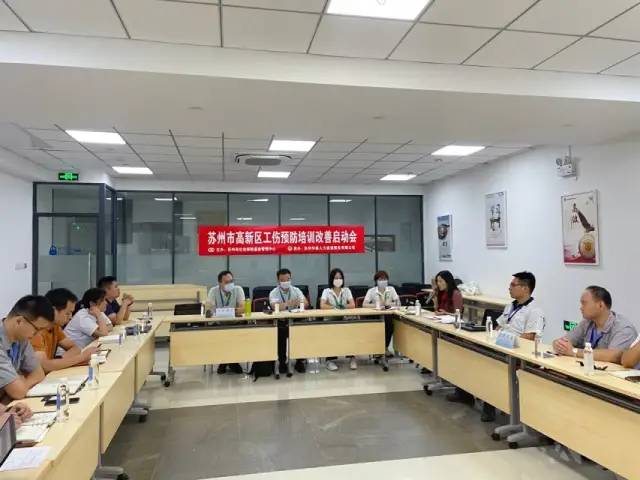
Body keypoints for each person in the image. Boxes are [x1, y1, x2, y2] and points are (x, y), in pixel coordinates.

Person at [447, 271, 545, 422]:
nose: (509, 287)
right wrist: (491, 338)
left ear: (525, 288)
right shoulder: (510, 306)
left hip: (516, 352)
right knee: (467, 352)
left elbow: (529, 338)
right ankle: (464, 393)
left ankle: (490, 405)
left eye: (513, 285)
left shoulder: (535, 310)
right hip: (500, 346)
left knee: (489, 364)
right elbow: (498, 327)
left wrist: (505, 340)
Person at [552, 286, 637, 364]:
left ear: (600, 305)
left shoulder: (624, 328)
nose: (581, 308)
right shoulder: (587, 322)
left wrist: (574, 352)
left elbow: (614, 356)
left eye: (584, 303)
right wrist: (559, 344)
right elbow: (563, 341)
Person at [31, 288, 98, 373]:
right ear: (53, 311)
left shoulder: (55, 327)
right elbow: (45, 366)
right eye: (67, 313)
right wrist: (82, 357)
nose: (70, 317)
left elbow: (75, 348)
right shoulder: (36, 331)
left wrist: (60, 362)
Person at [0, 295, 49, 400]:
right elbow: (18, 392)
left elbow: (39, 373)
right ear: (19, 321)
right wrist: (18, 386)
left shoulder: (21, 339)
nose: (37, 334)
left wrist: (22, 384)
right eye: (36, 329)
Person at [269, 268, 309, 374]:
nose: (285, 282)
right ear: (278, 281)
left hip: (295, 320)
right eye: (283, 280)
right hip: (281, 322)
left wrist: (298, 302)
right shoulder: (274, 292)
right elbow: (274, 306)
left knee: (301, 332)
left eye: (288, 279)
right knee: (280, 334)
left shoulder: (296, 290)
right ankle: (282, 362)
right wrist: (288, 303)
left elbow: (305, 303)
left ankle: (300, 361)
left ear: (291, 279)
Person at [207, 270, 246, 375]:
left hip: (235, 323)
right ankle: (227, 361)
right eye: (227, 282)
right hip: (219, 324)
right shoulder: (213, 291)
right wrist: (232, 311)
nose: (230, 284)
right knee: (221, 333)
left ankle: (231, 362)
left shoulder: (238, 289)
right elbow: (210, 310)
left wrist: (223, 311)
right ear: (220, 283)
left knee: (236, 333)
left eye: (231, 281)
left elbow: (243, 308)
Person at [320, 268, 356, 371]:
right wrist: (334, 307)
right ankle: (329, 360)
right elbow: (322, 305)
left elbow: (352, 305)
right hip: (330, 320)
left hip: (345, 319)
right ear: (332, 279)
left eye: (340, 278)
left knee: (351, 331)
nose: (338, 280)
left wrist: (343, 306)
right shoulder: (326, 291)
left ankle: (352, 357)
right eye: (336, 278)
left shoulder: (347, 290)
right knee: (331, 333)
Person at [363, 271, 399, 357]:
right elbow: (364, 304)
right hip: (376, 315)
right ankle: (377, 349)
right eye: (380, 279)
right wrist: (377, 304)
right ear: (376, 281)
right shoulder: (371, 291)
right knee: (378, 326)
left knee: (389, 324)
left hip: (388, 315)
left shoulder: (391, 289)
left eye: (384, 279)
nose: (383, 281)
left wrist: (388, 304)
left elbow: (398, 303)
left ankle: (385, 348)